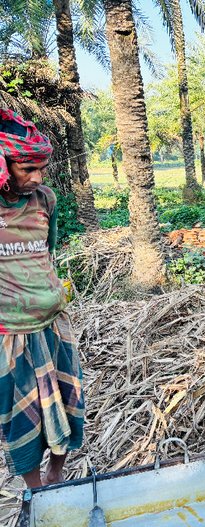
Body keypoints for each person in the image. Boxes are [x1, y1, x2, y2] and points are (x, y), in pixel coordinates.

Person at [0, 109, 85, 488]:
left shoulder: (44, 200)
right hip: (11, 336)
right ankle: (36, 490)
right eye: (25, 168)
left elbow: (44, 256)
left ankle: (58, 470)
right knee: (24, 417)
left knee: (67, 403)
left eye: (41, 168)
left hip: (53, 327)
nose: (36, 178)